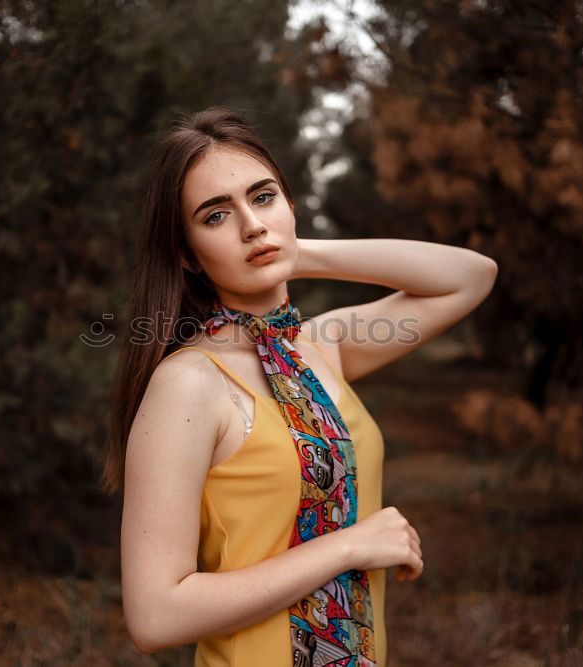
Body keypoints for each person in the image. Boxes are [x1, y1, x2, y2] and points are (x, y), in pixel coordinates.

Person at [102, 106, 498, 665]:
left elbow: (470, 277)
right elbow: (155, 615)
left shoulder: (322, 346)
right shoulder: (190, 383)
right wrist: (349, 547)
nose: (250, 225)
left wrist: (294, 253)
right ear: (187, 255)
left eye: (263, 198)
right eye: (216, 216)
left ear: (290, 205)